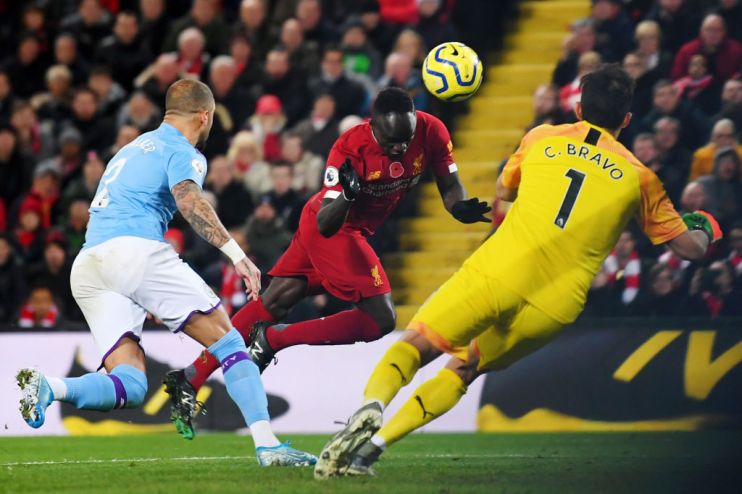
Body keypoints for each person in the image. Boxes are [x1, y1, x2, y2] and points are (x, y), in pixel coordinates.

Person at [313, 64, 721, 478]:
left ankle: (371, 409)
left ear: (578, 107)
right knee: (465, 369)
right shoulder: (640, 177)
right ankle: (371, 453)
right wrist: (707, 223)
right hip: (556, 304)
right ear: (627, 120)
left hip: (500, 269)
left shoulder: (542, 137)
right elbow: (690, 249)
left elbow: (505, 190)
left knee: (418, 345)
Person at [15, 79, 315, 467]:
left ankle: (50, 387)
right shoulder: (181, 149)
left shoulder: (131, 148)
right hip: (133, 252)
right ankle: (268, 446)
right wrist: (236, 254)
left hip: (90, 265)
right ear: (204, 116)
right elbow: (189, 200)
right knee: (230, 342)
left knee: (132, 384)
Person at [166, 87, 490, 432]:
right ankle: (275, 339)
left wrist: (458, 206)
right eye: (391, 141)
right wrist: (349, 195)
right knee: (381, 319)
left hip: (348, 231)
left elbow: (450, 184)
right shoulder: (349, 148)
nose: (399, 149)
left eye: (405, 140)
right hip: (334, 227)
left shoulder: (431, 131)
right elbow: (327, 222)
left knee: (274, 301)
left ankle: (191, 375)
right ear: (373, 124)